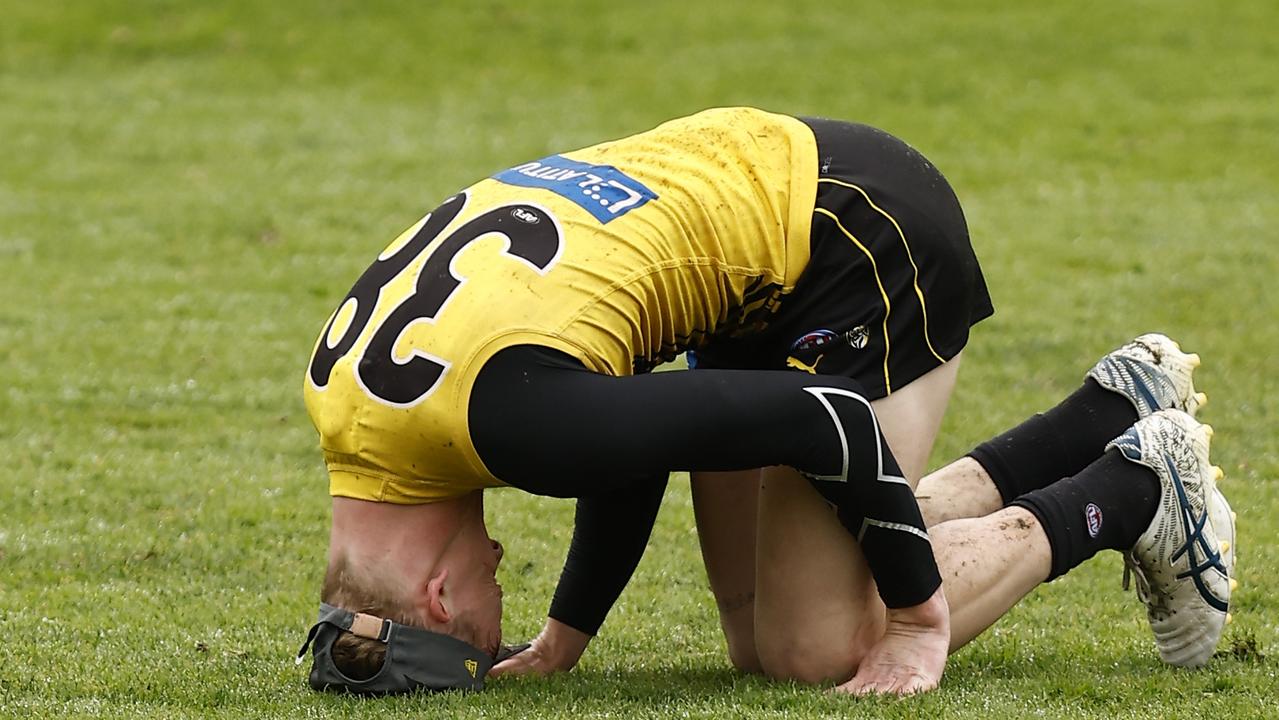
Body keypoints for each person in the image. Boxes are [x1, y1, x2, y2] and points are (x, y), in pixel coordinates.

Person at [294, 107, 1235, 696]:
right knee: (754, 626)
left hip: (853, 233)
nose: (497, 571)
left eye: (482, 609)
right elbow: (618, 438)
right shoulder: (346, 406)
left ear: (436, 594)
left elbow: (824, 419)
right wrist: (566, 635)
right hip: (753, 213)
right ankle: (1100, 416)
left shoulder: (509, 421)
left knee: (812, 646)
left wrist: (915, 622)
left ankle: (1137, 485)